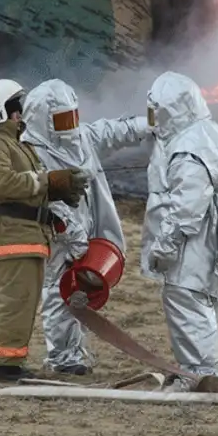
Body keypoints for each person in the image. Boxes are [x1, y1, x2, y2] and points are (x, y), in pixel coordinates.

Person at [20, 78, 150, 375]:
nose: (69, 125)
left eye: (72, 117)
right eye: (62, 119)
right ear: (42, 119)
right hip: (58, 234)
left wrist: (147, 125)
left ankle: (75, 352)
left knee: (79, 290)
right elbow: (47, 199)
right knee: (58, 290)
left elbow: (111, 131)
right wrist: (73, 236)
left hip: (86, 227)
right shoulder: (31, 152)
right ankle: (64, 359)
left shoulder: (80, 139)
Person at [140, 71, 218, 392]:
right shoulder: (207, 134)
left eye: (157, 113)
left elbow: (185, 210)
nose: (154, 121)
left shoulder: (189, 146)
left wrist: (163, 248)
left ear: (173, 110)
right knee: (201, 302)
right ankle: (197, 370)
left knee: (187, 300)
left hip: (194, 243)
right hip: (211, 238)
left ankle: (202, 375)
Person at [0, 78, 90, 382]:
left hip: (27, 233)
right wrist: (49, 182)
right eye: (16, 108)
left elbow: (30, 185)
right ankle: (1, 365)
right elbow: (3, 184)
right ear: (1, 111)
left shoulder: (15, 145)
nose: (21, 114)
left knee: (24, 301)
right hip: (11, 235)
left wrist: (58, 190)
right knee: (16, 300)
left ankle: (10, 361)